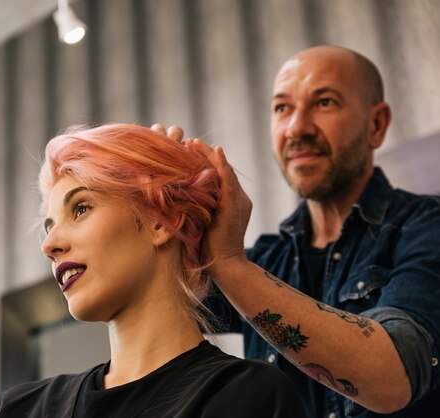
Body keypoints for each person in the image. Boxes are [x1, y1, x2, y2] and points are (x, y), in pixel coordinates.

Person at [166, 45, 440, 417]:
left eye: (324, 102)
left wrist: (230, 264)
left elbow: (392, 379)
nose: (297, 128)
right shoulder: (266, 259)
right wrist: (163, 203)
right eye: (282, 108)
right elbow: (163, 296)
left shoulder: (426, 227)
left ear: (376, 124)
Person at [0, 124, 308, 417]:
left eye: (81, 208)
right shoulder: (21, 409)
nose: (50, 245)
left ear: (162, 222)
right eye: (49, 226)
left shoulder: (246, 396)